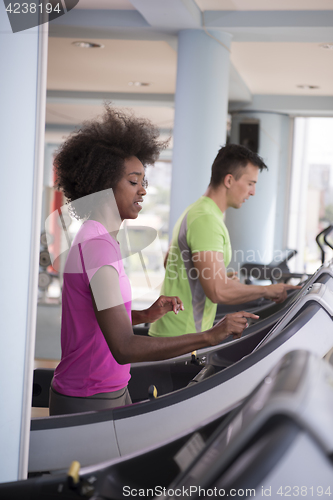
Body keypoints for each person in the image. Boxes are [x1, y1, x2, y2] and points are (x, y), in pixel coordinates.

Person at [49, 107, 258, 416]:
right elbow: (122, 347)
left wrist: (146, 314)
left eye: (143, 181)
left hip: (110, 388)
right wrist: (208, 336)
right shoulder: (97, 245)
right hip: (88, 395)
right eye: (134, 182)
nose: (144, 190)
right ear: (104, 183)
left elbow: (99, 318)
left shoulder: (100, 238)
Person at [149, 144, 300, 338]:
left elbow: (169, 262)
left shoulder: (196, 210)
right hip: (182, 338)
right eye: (250, 183)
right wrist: (267, 290)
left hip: (172, 333)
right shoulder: (206, 220)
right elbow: (218, 292)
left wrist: (212, 274)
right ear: (229, 180)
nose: (253, 192)